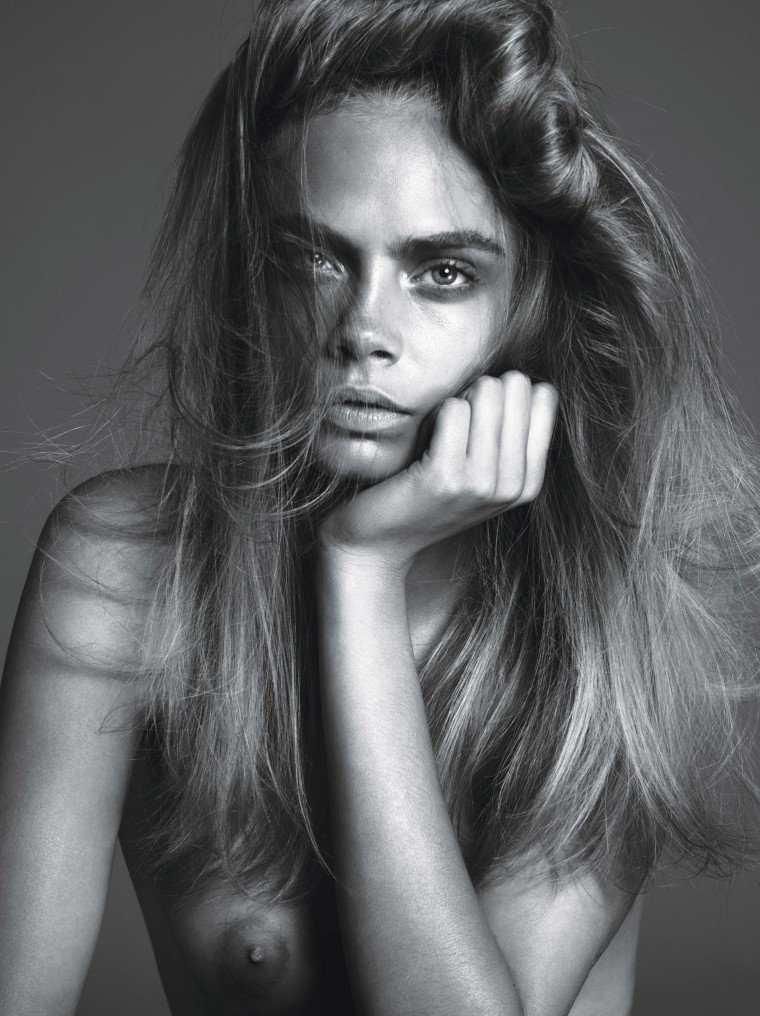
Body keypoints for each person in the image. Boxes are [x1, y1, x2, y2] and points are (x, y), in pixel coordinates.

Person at [2, 1, 759, 1013]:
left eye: (441, 272)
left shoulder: (603, 625)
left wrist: (359, 569)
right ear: (254, 279)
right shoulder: (123, 572)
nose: (364, 328)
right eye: (316, 259)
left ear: (527, 306)